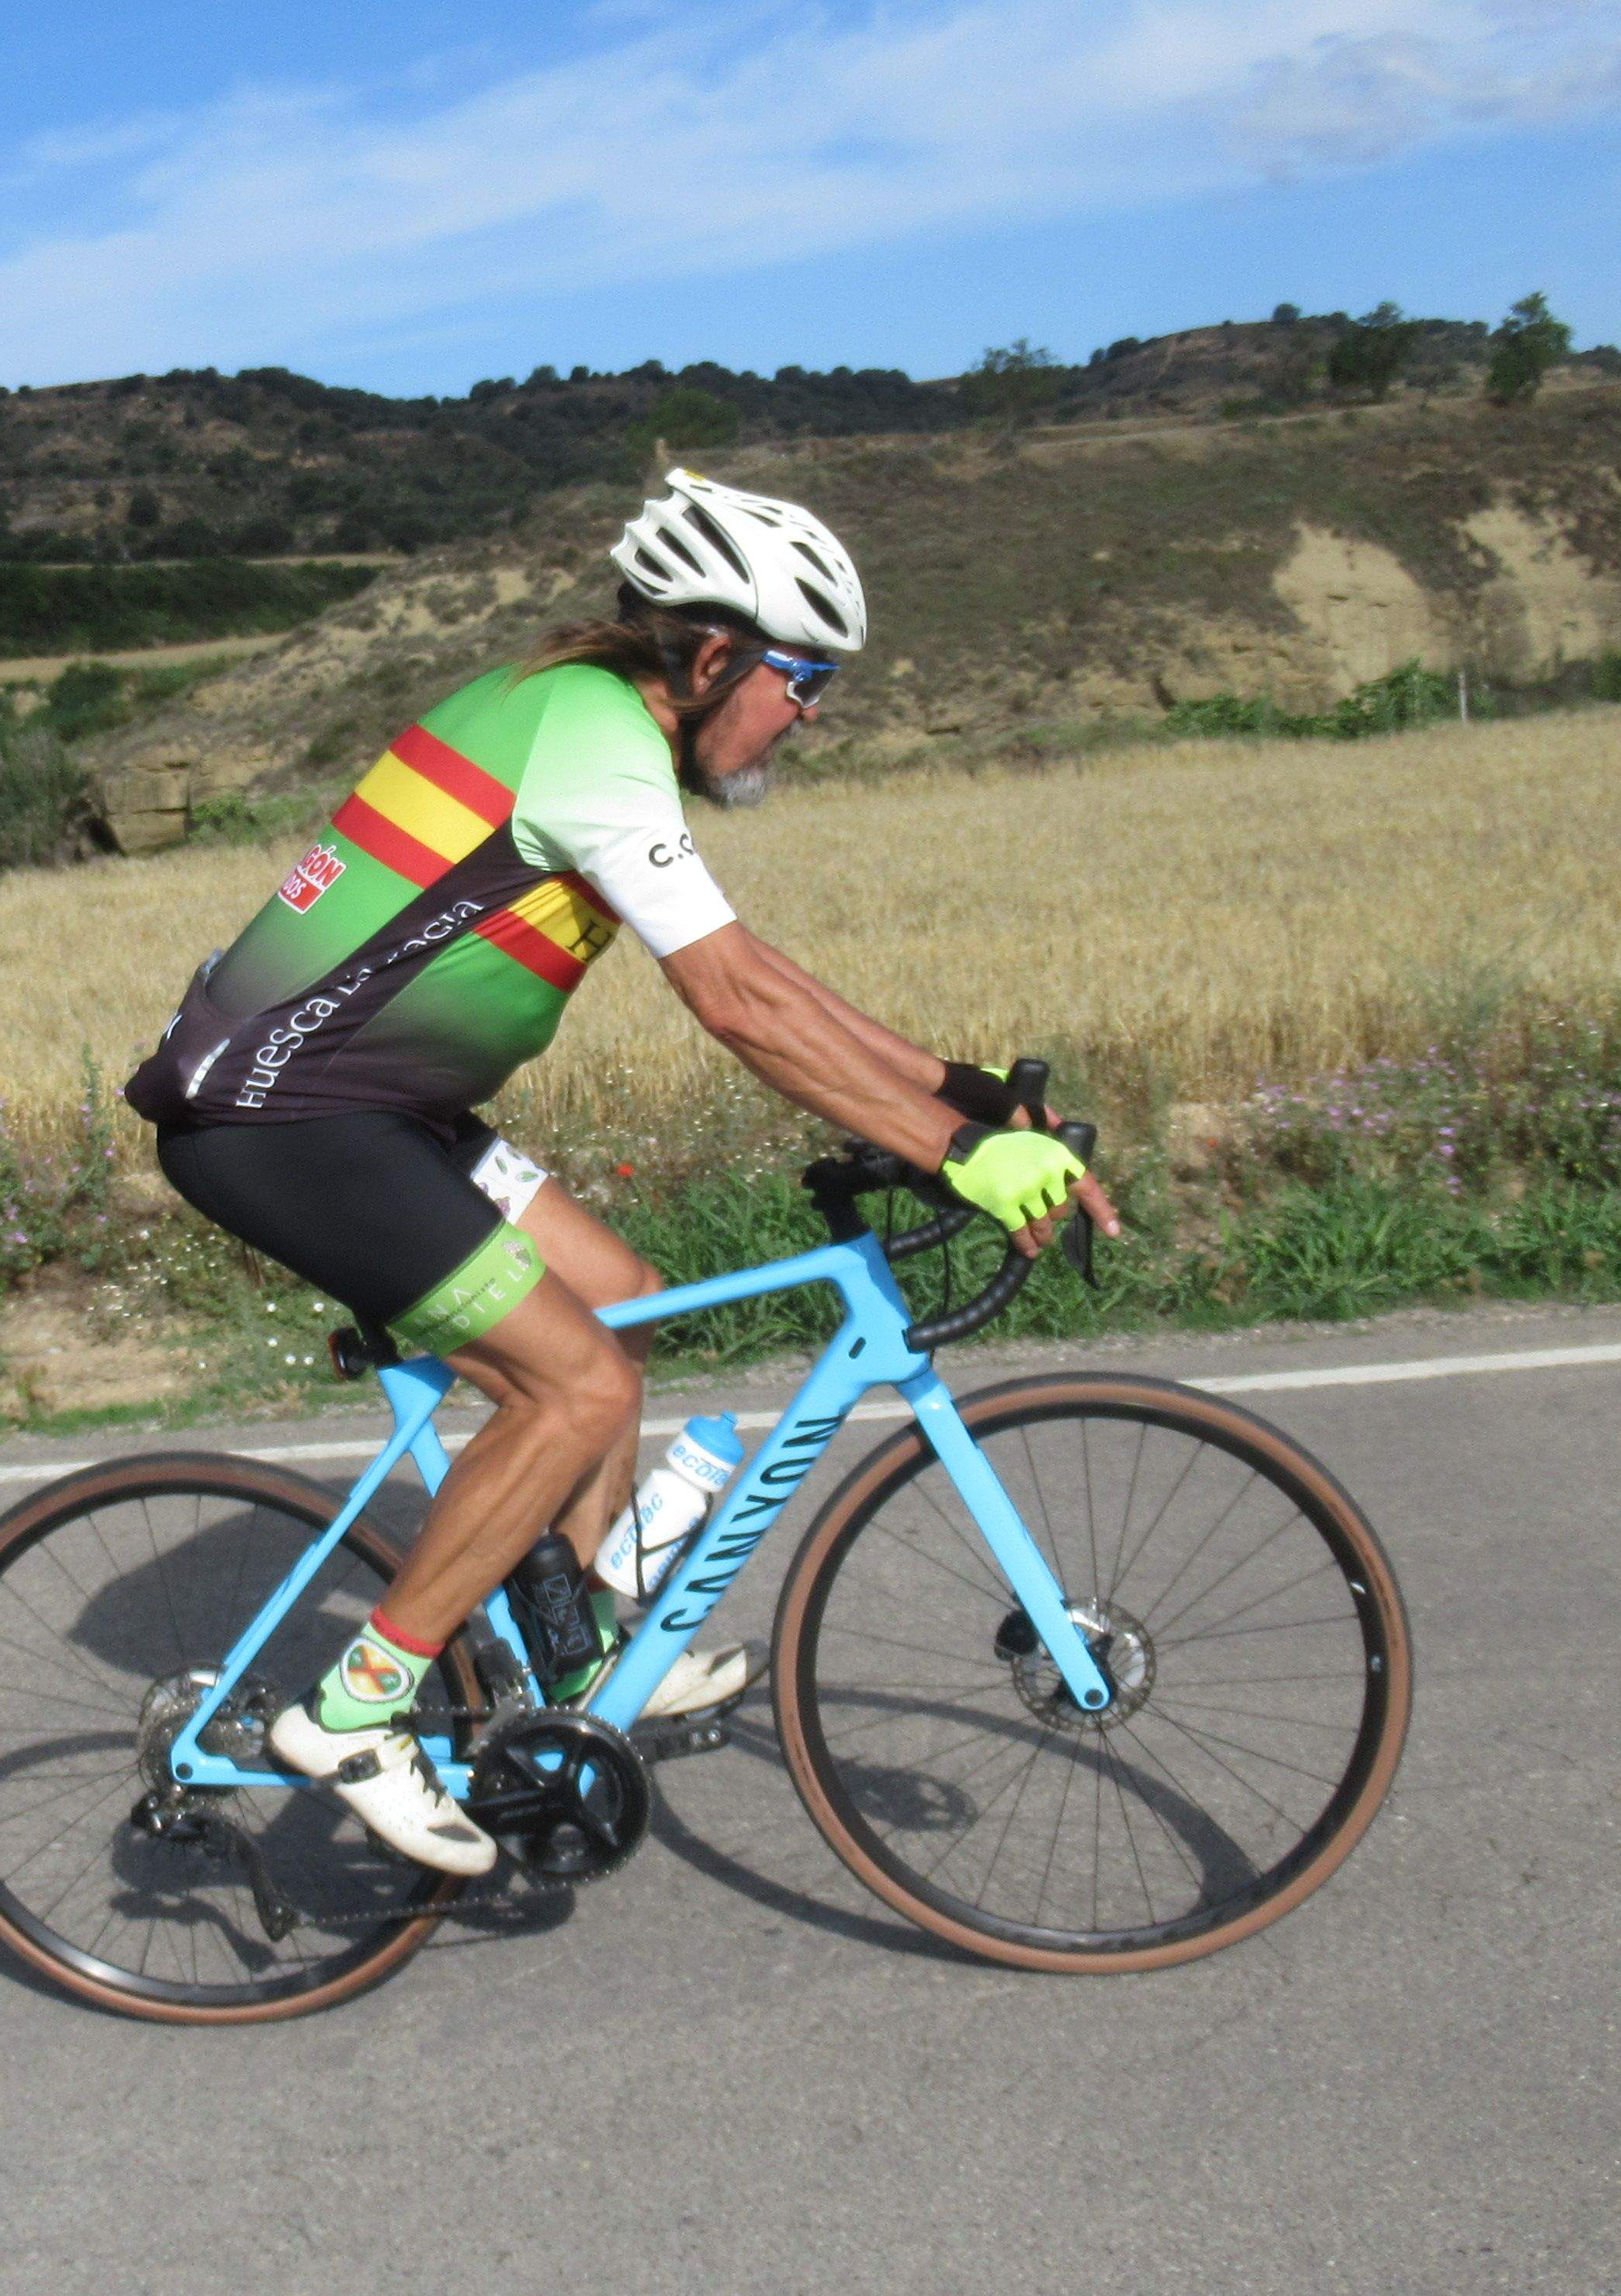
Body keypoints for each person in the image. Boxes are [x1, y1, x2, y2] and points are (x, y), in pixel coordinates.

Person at [122, 469, 1117, 1873]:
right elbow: (734, 1005)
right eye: (805, 680)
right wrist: (956, 1156)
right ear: (713, 660)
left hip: (383, 1105)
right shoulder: (588, 742)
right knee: (573, 1383)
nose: (813, 714)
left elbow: (754, 966)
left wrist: (956, 1092)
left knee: (621, 1304)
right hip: (282, 1119)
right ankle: (355, 1710)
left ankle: (571, 1661)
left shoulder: (587, 721)